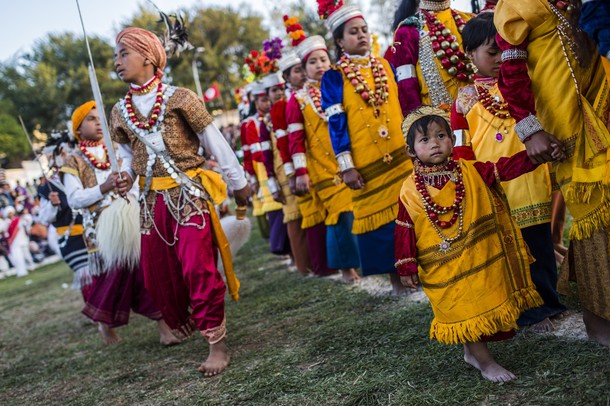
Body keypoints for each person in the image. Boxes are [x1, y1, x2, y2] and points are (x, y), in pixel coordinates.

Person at [110, 27, 250, 375]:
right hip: (150, 203)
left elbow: (213, 140)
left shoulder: (181, 97)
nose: (117, 61)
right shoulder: (118, 112)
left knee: (197, 269)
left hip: (188, 195)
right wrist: (125, 175)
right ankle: (184, 321)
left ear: (148, 57)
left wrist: (238, 182)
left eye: (123, 53)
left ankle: (217, 345)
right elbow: (127, 155)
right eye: (116, 55)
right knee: (159, 276)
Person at [395, 106, 547, 382]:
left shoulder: (470, 171)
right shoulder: (408, 190)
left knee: (475, 304)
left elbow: (503, 169)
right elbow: (404, 228)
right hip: (442, 267)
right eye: (425, 140)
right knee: (464, 307)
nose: (435, 144)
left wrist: (535, 156)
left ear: (452, 140)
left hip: (479, 258)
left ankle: (473, 354)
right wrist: (406, 266)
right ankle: (486, 363)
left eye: (441, 135)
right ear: (410, 151)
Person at [495, 0, 610, 346]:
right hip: (563, 122)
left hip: (600, 99)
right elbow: (510, 75)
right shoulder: (515, 6)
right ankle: (599, 324)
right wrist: (530, 131)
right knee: (591, 215)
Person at [451, 13, 565, 332]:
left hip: (532, 178)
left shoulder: (520, 84)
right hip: (496, 185)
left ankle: (549, 301)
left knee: (539, 243)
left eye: (504, 49)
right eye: (492, 51)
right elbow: (461, 149)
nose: (501, 58)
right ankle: (530, 312)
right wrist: (475, 179)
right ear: (470, 54)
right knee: (513, 252)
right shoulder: (463, 100)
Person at [62, 101, 176, 347]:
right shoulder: (72, 161)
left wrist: (129, 193)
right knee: (113, 278)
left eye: (99, 117)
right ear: (78, 130)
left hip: (130, 219)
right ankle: (104, 323)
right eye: (90, 119)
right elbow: (74, 199)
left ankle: (164, 328)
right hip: (99, 230)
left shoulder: (116, 149)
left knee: (146, 271)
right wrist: (104, 188)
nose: (97, 122)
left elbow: (134, 182)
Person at [319, 0, 411, 293]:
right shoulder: (333, 77)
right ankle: (395, 279)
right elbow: (336, 125)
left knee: (409, 212)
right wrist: (347, 167)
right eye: (353, 32)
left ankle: (416, 269)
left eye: (364, 30)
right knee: (382, 228)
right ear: (339, 40)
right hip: (365, 164)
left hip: (400, 155)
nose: (361, 36)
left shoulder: (384, 64)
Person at [286, 25, 360, 283]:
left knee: (357, 209)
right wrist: (301, 172)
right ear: (304, 69)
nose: (319, 65)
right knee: (339, 214)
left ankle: (360, 261)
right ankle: (345, 268)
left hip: (348, 157)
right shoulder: (298, 99)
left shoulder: (338, 84)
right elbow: (295, 140)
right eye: (313, 62)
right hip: (321, 167)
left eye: (323, 59)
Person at [389, 0, 473, 115]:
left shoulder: (469, 20)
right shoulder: (408, 32)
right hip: (439, 124)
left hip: (480, 117)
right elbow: (407, 89)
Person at [3, 206, 34, 277]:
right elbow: (6, 232)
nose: (10, 214)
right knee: (18, 257)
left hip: (23, 240)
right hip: (14, 243)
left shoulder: (18, 220)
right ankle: (21, 271)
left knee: (26, 255)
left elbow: (26, 226)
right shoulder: (6, 222)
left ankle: (31, 266)